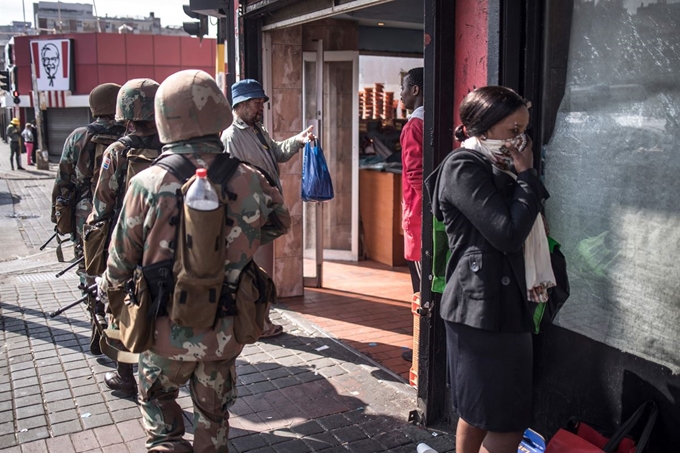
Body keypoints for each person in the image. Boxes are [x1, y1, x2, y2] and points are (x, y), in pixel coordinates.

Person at [100, 69, 290, 452]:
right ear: (219, 113)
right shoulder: (249, 178)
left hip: (161, 331)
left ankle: (167, 445)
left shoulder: (147, 183)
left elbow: (119, 262)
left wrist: (108, 296)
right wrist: (242, 243)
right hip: (223, 332)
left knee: (156, 401)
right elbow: (279, 222)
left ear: (164, 118)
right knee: (214, 416)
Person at [427, 86, 554, 453]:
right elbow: (508, 234)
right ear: (482, 130)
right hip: (480, 309)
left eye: (524, 130)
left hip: (506, 303)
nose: (521, 139)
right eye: (513, 130)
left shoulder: (501, 166)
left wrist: (523, 177)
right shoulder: (463, 166)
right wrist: (527, 174)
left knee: (485, 410)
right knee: (503, 418)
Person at [87, 78, 163, 395]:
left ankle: (125, 375)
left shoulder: (118, 151)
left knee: (123, 307)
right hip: (163, 244)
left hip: (126, 243)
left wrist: (95, 256)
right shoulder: (171, 146)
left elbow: (101, 206)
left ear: (125, 113)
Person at [221, 78, 314, 338]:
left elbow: (278, 153)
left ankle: (259, 322)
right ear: (239, 104)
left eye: (261, 102)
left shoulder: (256, 130)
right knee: (256, 273)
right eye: (255, 102)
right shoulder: (232, 136)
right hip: (248, 216)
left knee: (262, 273)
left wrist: (299, 140)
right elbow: (232, 179)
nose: (260, 107)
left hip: (263, 212)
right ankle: (257, 324)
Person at [51, 83, 126, 355]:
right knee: (121, 274)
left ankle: (97, 322)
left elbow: (62, 181)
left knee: (89, 273)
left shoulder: (78, 136)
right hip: (123, 215)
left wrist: (60, 220)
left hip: (87, 219)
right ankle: (120, 332)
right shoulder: (131, 135)